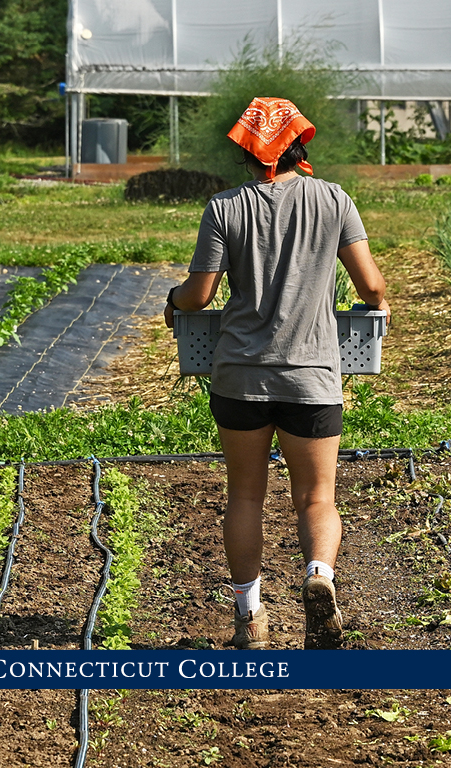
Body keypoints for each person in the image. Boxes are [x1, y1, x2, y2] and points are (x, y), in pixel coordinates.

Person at [164, 97, 390, 649]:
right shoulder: (334, 200)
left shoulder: (225, 208)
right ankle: (319, 575)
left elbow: (200, 296)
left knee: (244, 496)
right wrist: (378, 304)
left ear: (247, 147)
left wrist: (173, 299)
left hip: (241, 375)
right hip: (312, 375)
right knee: (317, 498)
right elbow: (373, 288)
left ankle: (250, 618)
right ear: (299, 144)